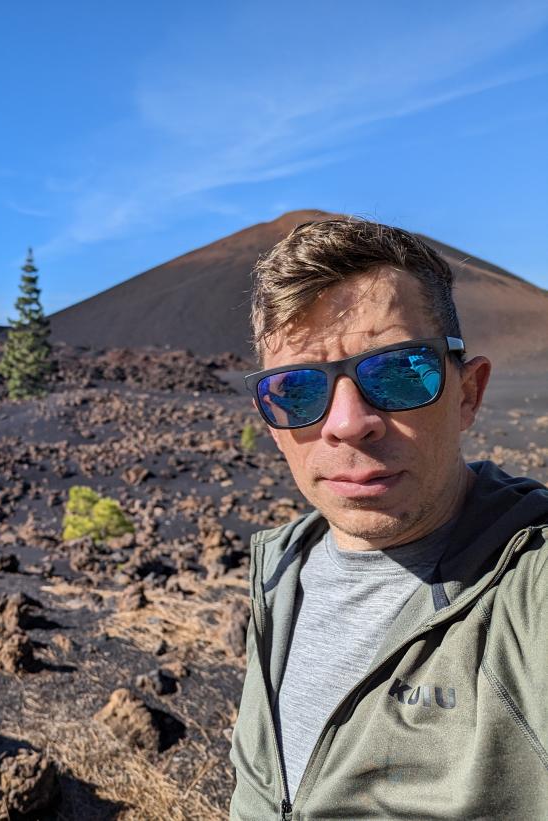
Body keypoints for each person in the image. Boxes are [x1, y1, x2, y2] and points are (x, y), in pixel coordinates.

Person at [229, 217, 548, 819]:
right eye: (295, 390)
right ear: (270, 420)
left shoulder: (528, 590)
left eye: (400, 372)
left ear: (467, 394)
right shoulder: (278, 572)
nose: (347, 422)